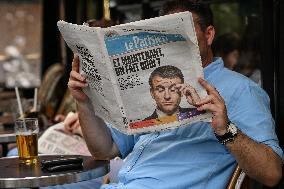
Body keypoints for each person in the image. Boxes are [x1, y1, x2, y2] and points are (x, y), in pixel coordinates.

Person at [66, 0, 283, 188]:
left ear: (209, 35)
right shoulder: (151, 83)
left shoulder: (240, 90)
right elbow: (105, 150)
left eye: (183, 31)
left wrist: (226, 131)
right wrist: (84, 102)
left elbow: (272, 174)